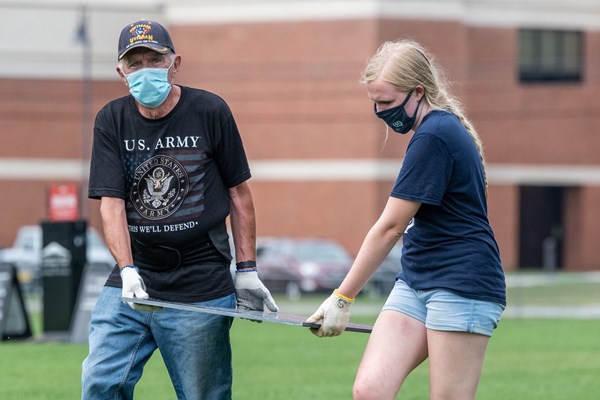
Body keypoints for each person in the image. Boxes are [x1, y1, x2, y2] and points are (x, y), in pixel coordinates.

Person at [81, 19, 278, 400]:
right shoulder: (111, 119)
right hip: (135, 278)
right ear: (121, 72)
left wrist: (248, 270)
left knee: (202, 393)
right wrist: (127, 270)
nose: (145, 70)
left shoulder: (210, 110)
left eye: (154, 58)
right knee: (100, 382)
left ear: (175, 62)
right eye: (134, 63)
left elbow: (239, 193)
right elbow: (112, 203)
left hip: (199, 280)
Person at [307, 39, 506, 400]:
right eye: (374, 101)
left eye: (386, 102)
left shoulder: (434, 135)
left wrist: (342, 298)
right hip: (416, 279)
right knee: (370, 390)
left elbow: (390, 227)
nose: (380, 111)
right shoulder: (430, 132)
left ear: (418, 91)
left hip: (461, 282)